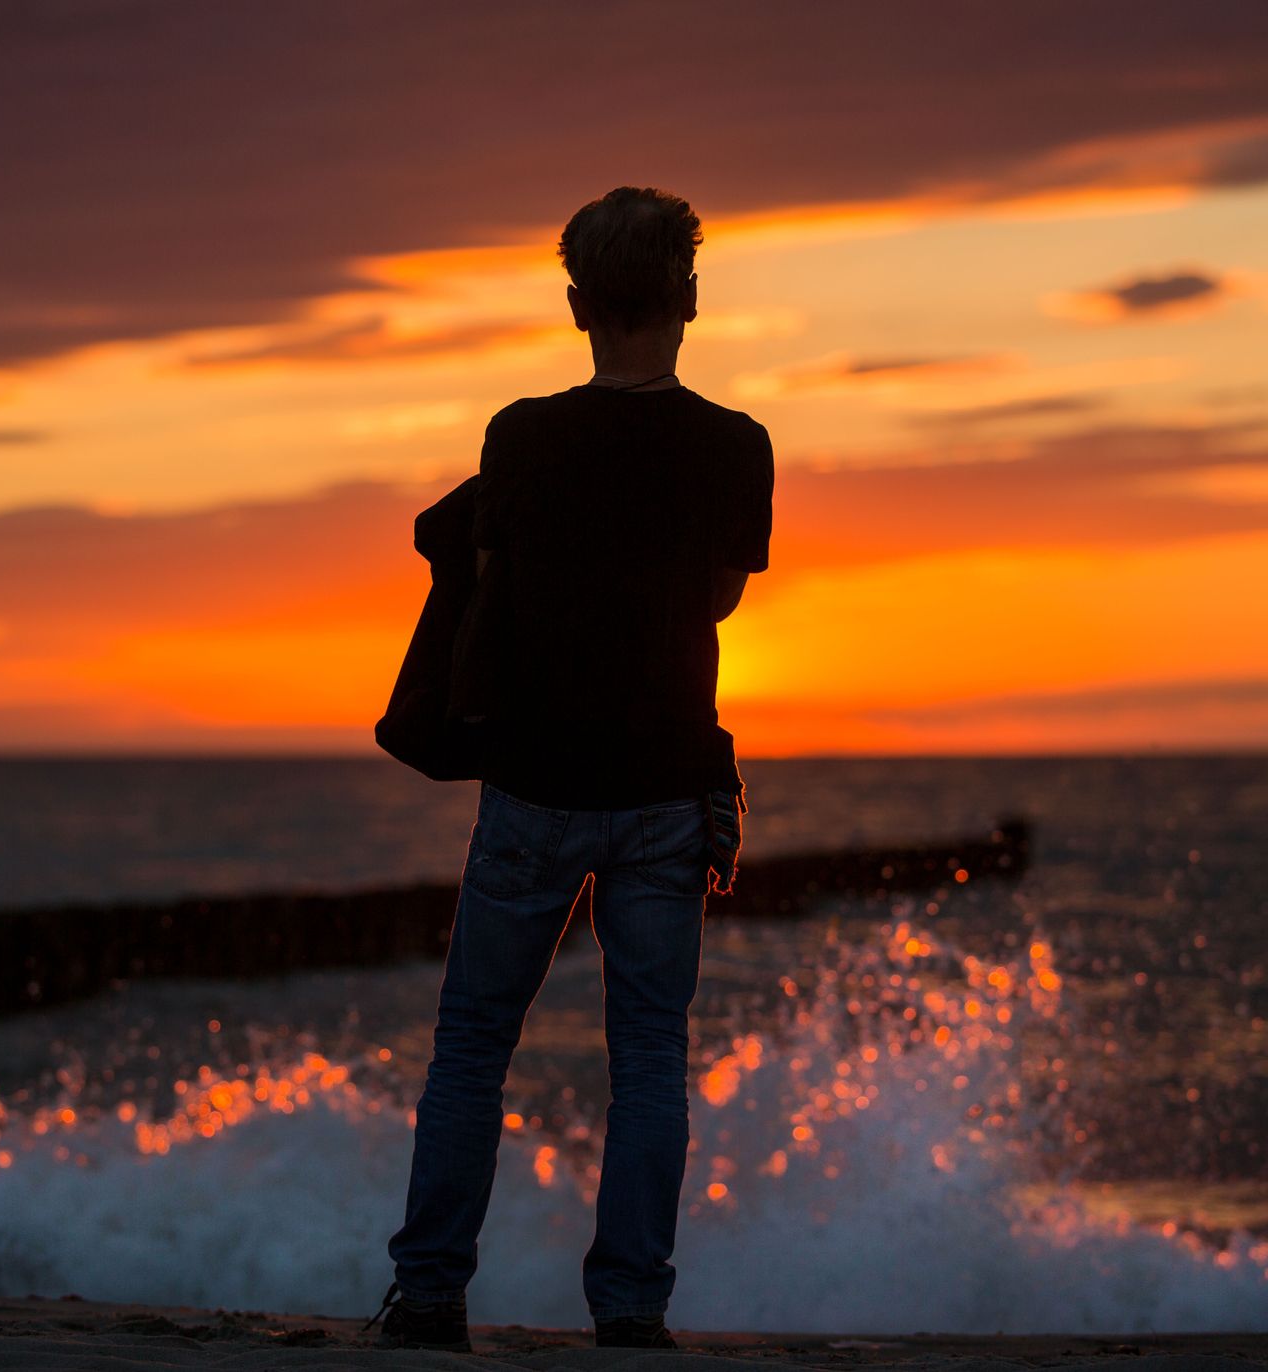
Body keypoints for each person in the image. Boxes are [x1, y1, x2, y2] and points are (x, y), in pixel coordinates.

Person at [364, 186, 773, 1352]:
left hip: (533, 784)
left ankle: (430, 1296)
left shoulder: (521, 434)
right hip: (661, 789)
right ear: (687, 301)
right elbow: (719, 597)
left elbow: (491, 577)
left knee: (471, 1047)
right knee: (647, 1056)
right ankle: (631, 1312)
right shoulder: (734, 445)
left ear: (574, 305)